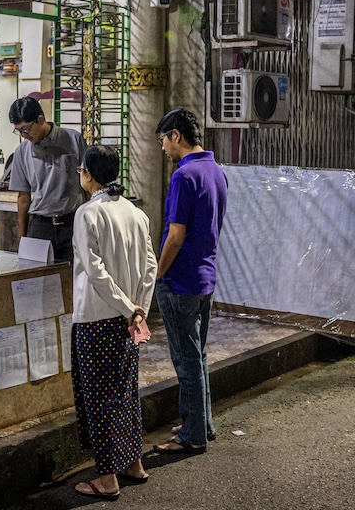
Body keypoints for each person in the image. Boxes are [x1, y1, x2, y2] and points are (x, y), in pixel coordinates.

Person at [70, 145, 157, 500]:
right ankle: (133, 462)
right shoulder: (136, 213)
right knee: (124, 392)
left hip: (97, 318)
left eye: (81, 171)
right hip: (128, 320)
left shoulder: (87, 213)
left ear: (89, 175)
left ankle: (107, 478)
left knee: (99, 397)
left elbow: (95, 272)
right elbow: (150, 266)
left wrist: (126, 307)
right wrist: (140, 309)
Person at [151, 108, 228, 455]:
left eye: (163, 141)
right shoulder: (216, 171)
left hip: (181, 280)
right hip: (206, 276)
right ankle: (202, 423)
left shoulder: (184, 176)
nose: (163, 149)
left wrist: (159, 271)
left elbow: (176, 234)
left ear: (176, 136)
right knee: (197, 356)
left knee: (185, 359)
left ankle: (192, 435)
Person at [6, 96, 86, 262]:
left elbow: (89, 184)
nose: (23, 135)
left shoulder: (74, 140)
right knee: (40, 283)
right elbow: (23, 197)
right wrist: (23, 239)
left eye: (26, 129)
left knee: (72, 280)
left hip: (72, 224)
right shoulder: (22, 152)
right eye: (19, 130)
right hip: (40, 228)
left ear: (40, 119)